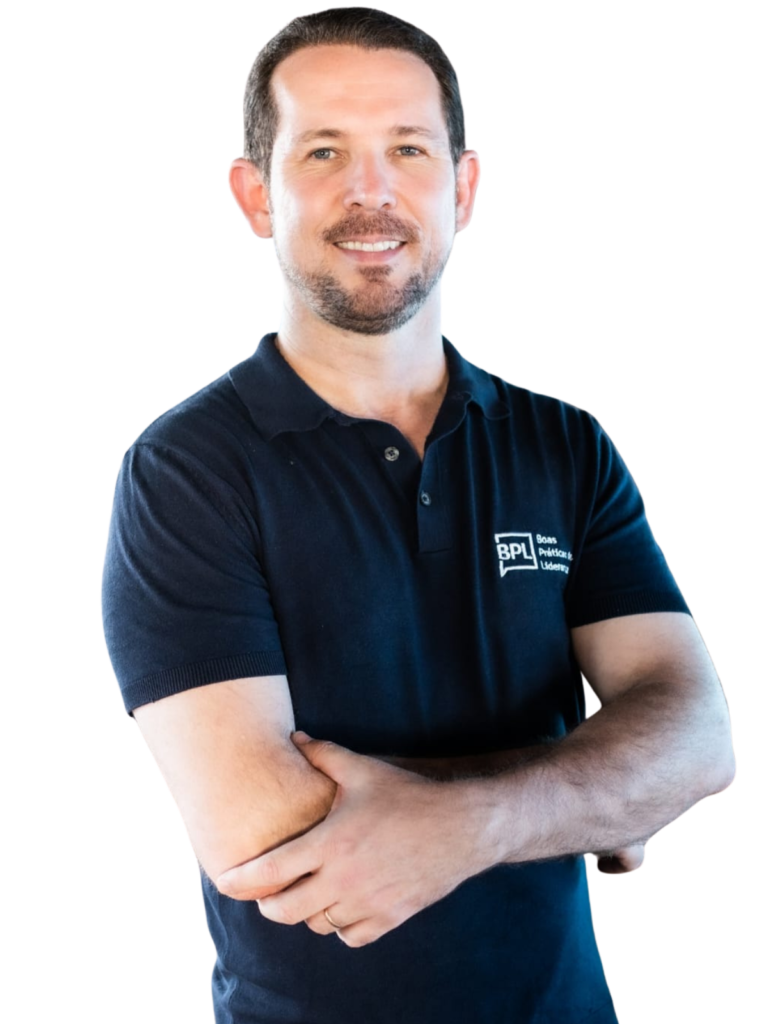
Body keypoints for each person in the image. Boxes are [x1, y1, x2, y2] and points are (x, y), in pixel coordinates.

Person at [99, 8, 736, 1023]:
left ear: (464, 189)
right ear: (255, 195)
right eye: (324, 151)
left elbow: (699, 741)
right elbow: (258, 833)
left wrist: (474, 817)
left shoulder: (566, 445)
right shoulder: (185, 472)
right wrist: (589, 789)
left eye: (407, 148)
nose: (372, 191)